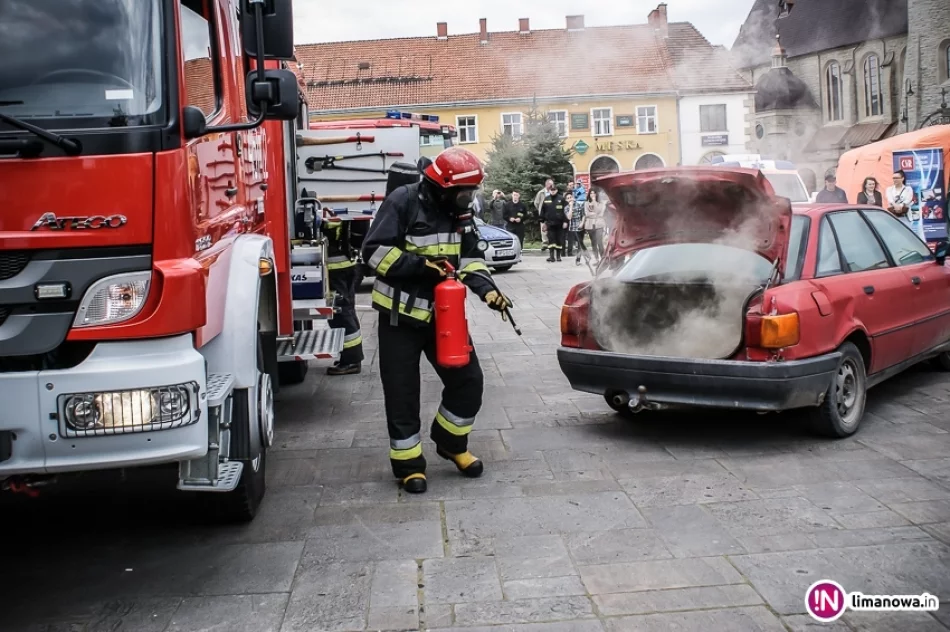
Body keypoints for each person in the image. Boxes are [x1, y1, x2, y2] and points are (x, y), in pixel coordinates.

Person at [361, 147, 513, 494]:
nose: (468, 199)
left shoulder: (459, 213)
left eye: (472, 192)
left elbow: (471, 258)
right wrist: (419, 267)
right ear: (441, 187)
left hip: (443, 319)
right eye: (463, 192)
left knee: (469, 381)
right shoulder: (404, 200)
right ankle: (409, 467)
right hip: (399, 319)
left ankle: (450, 443)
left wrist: (488, 291)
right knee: (402, 395)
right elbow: (373, 252)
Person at [321, 213, 364, 375]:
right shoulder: (345, 206)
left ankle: (351, 360)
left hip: (336, 266)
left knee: (341, 313)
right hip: (347, 262)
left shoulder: (327, 208)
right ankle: (350, 357)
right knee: (347, 310)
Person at [886, 169, 918, 234]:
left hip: (905, 216)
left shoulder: (908, 189)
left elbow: (908, 199)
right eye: (894, 178)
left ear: (902, 178)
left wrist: (900, 206)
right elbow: (889, 199)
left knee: (907, 234)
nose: (895, 180)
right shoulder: (889, 189)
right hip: (894, 216)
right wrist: (895, 205)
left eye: (897, 178)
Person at [541, 186, 568, 262]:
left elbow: (566, 211)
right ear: (549, 191)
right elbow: (543, 210)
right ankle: (551, 256)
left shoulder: (561, 199)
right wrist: (542, 220)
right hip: (550, 223)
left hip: (559, 223)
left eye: (554, 190)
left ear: (556, 190)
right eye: (551, 190)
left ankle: (558, 256)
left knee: (559, 240)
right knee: (551, 240)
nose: (552, 191)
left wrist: (565, 221)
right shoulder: (546, 199)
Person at [583, 190, 607, 262]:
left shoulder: (601, 203)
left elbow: (601, 213)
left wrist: (594, 202)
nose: (592, 195)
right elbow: (587, 214)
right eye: (591, 193)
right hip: (590, 225)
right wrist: (594, 214)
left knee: (600, 242)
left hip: (599, 224)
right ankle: (597, 260)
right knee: (593, 243)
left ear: (596, 194)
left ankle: (603, 259)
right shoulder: (586, 203)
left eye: (594, 193)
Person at [533, 179, 555, 250]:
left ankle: (552, 242)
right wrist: (540, 209)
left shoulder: (553, 192)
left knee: (552, 228)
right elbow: (536, 202)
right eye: (550, 184)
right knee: (543, 228)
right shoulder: (541, 193)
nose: (551, 186)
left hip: (552, 212)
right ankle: (545, 243)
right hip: (544, 213)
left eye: (552, 184)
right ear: (546, 184)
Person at [565, 192, 584, 258]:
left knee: (580, 242)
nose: (570, 199)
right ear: (566, 200)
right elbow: (569, 217)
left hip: (579, 226)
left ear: (573, 198)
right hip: (571, 227)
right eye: (568, 198)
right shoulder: (566, 208)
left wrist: (582, 223)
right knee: (570, 242)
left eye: (570, 197)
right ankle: (570, 253)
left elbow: (583, 215)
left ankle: (579, 255)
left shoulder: (579, 205)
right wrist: (571, 206)